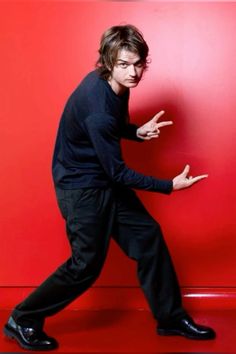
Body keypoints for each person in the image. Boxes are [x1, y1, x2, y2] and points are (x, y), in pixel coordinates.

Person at [3, 24, 215, 351]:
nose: (133, 73)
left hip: (103, 177)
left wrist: (134, 132)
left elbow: (110, 132)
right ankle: (24, 318)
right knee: (86, 265)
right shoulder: (98, 106)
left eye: (138, 63)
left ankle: (171, 318)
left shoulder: (117, 87)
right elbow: (117, 170)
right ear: (107, 61)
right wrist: (169, 185)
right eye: (124, 65)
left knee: (148, 237)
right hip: (82, 187)